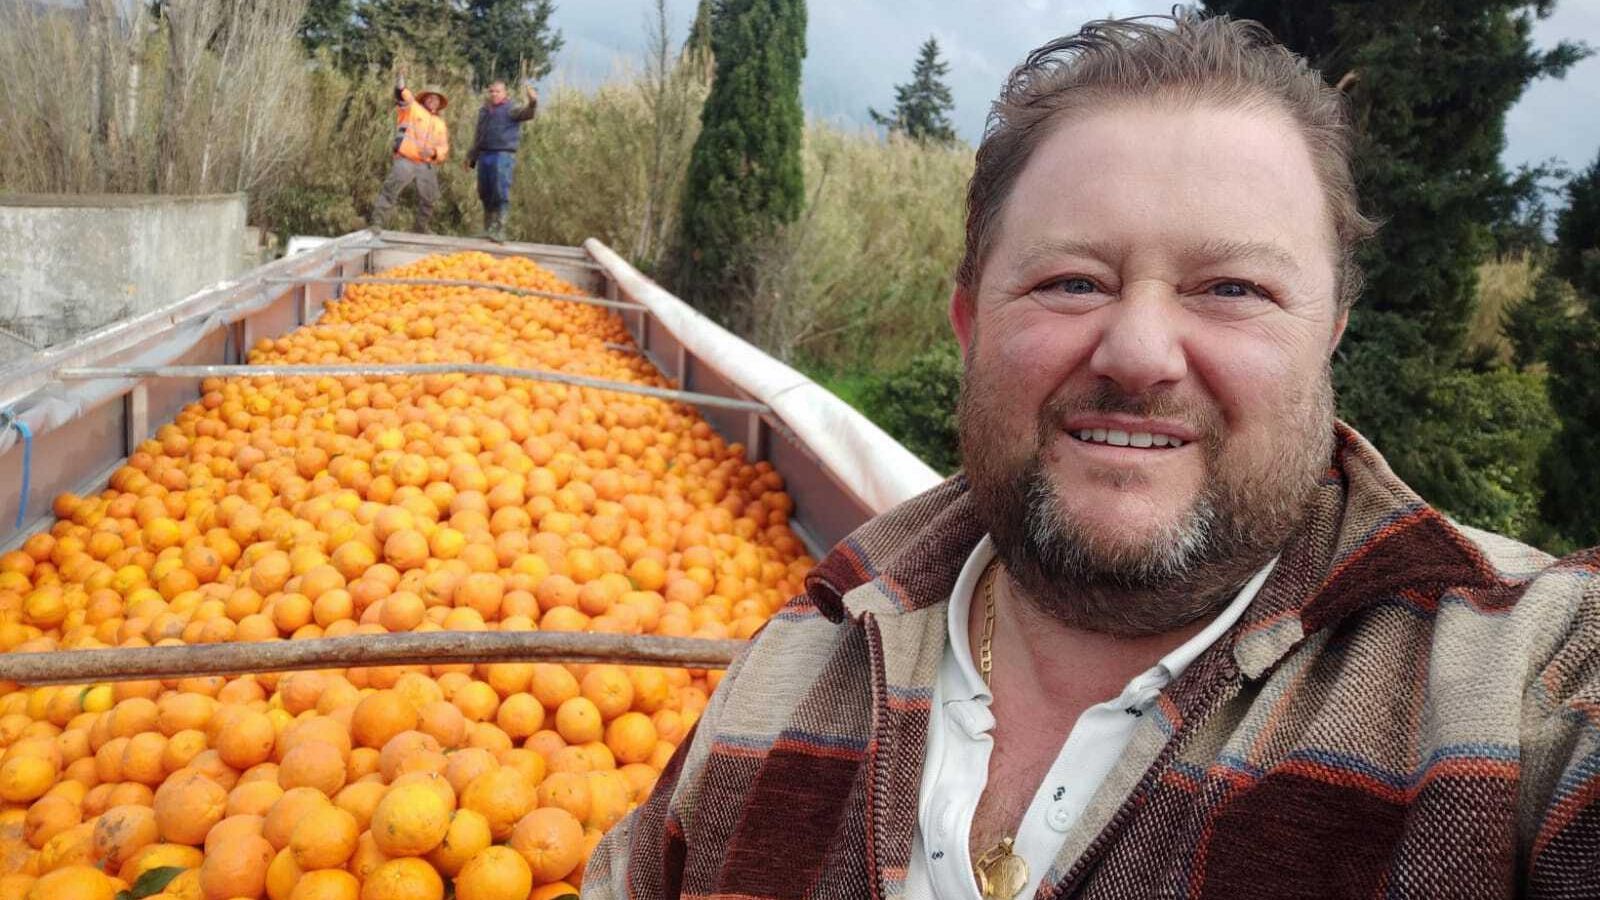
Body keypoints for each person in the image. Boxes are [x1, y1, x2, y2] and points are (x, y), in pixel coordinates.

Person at [584, 11, 1600, 899]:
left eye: (1231, 288)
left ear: (1329, 329)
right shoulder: (792, 665)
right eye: (1072, 282)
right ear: (969, 320)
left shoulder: (1528, 694)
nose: (1139, 354)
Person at [371, 68, 449, 234]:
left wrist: (434, 152)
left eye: (436, 99)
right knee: (390, 191)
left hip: (426, 165)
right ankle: (377, 223)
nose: (433, 100)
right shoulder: (412, 108)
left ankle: (421, 228)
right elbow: (401, 93)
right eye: (430, 97)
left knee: (430, 198)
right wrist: (400, 78)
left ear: (439, 103)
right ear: (425, 99)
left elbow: (444, 148)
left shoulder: (441, 124)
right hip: (406, 160)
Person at [466, 80, 539, 242]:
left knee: (500, 191)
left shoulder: (511, 108)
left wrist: (533, 102)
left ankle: (500, 229)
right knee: (485, 191)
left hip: (502, 154)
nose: (494, 94)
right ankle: (488, 228)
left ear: (505, 93)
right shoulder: (484, 111)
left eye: (498, 91)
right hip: (485, 154)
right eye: (491, 91)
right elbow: (479, 136)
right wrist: (472, 157)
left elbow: (527, 113)